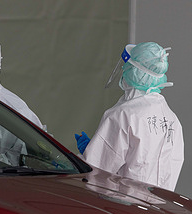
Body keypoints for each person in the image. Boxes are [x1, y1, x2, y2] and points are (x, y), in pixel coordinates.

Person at [74, 42, 184, 191]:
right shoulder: (173, 120)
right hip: (159, 208)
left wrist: (73, 162)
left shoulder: (123, 115)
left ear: (134, 71)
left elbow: (96, 173)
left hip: (124, 206)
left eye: (127, 66)